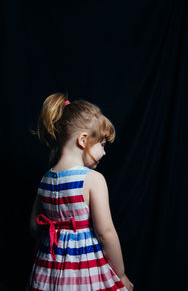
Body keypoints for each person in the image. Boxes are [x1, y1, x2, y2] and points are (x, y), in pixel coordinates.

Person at [28, 93, 134, 291]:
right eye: (102, 144)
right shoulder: (93, 180)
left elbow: (34, 226)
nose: (104, 152)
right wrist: (120, 274)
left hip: (48, 267)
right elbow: (106, 233)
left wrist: (57, 246)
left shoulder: (45, 179)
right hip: (84, 268)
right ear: (83, 140)